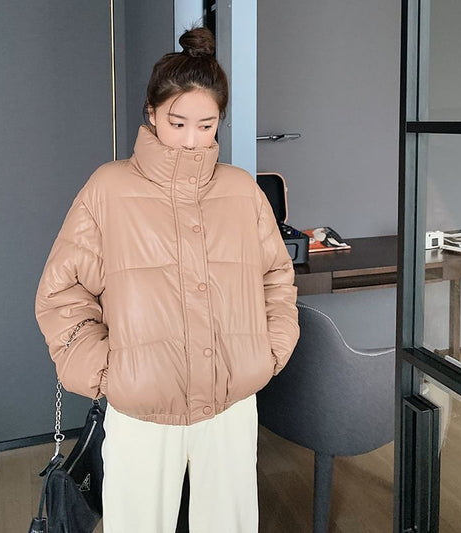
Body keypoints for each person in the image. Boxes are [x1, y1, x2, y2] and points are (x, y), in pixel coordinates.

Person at [35, 26, 299, 533]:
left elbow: (276, 279)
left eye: (206, 125)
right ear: (152, 113)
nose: (192, 139)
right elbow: (62, 292)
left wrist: (268, 353)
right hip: (142, 409)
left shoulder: (241, 191)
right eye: (178, 123)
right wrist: (108, 373)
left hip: (230, 403)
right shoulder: (108, 188)